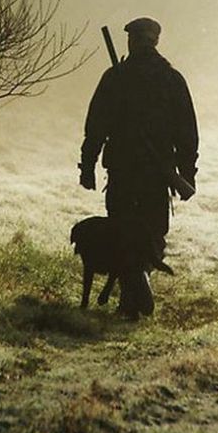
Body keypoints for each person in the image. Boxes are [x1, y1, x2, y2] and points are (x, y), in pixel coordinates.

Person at [78, 17, 199, 320]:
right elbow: (188, 134)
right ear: (155, 41)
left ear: (133, 41)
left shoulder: (115, 78)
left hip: (122, 172)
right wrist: (186, 174)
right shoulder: (172, 79)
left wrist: (89, 166)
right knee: (152, 235)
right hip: (157, 177)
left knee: (123, 234)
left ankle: (132, 296)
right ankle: (139, 284)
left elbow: (95, 127)